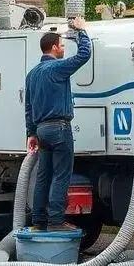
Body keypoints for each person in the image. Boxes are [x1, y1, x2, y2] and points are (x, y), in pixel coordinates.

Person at [24, 18, 92, 231]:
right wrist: (82, 32)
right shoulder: (57, 68)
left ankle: (38, 221)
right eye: (62, 45)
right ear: (53, 47)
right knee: (61, 175)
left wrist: (31, 133)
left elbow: (28, 107)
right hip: (60, 128)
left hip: (42, 130)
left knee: (43, 176)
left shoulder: (32, 74)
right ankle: (55, 222)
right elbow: (84, 55)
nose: (63, 49)